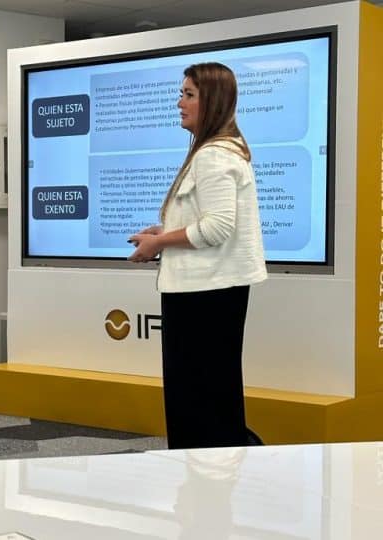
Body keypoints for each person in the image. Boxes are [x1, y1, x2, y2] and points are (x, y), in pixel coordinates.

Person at [128, 62, 267, 449]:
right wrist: (165, 232)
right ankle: (216, 470)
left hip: (203, 293)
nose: (179, 103)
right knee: (213, 393)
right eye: (182, 93)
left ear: (213, 102)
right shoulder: (222, 151)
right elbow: (208, 221)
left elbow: (218, 228)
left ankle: (205, 473)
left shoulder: (213, 156)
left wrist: (159, 244)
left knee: (196, 398)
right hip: (213, 289)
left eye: (189, 95)